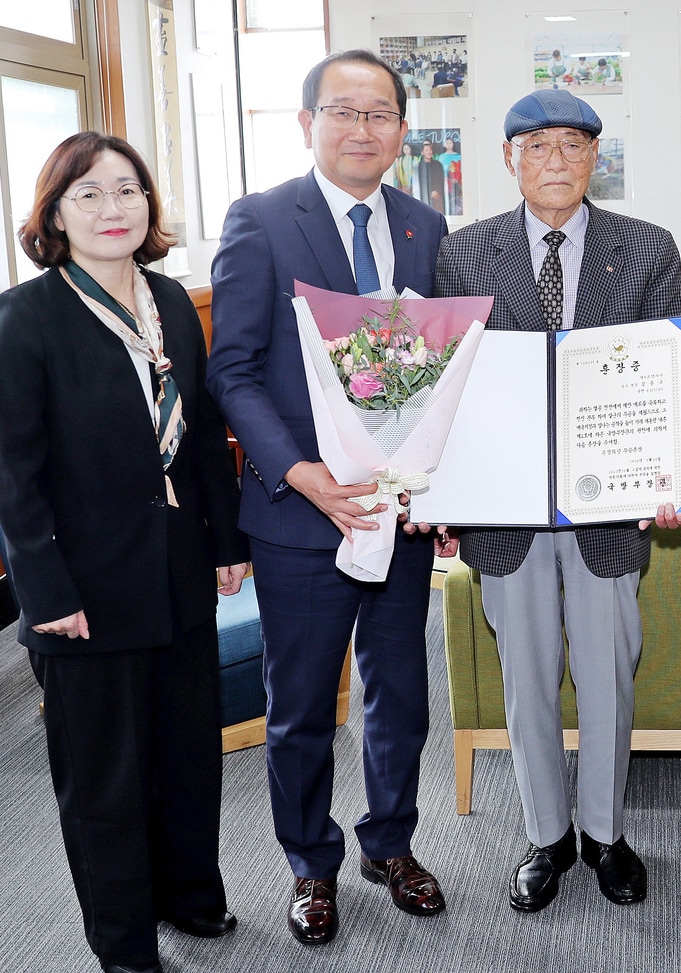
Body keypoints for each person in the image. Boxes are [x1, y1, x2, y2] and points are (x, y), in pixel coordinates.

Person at [434, 88, 681, 914]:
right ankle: (547, 835)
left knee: (607, 672)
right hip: (508, 512)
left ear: (597, 158)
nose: (556, 161)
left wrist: (669, 471)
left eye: (574, 146)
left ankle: (606, 832)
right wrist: (443, 486)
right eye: (538, 146)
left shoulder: (645, 246)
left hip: (607, 508)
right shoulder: (465, 251)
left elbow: (675, 371)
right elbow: (449, 383)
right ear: (510, 159)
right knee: (526, 677)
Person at [207, 50, 451, 947]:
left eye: (380, 114)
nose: (362, 129)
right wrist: (302, 476)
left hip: (397, 511)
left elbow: (440, 371)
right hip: (299, 515)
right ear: (306, 122)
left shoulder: (426, 224)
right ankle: (312, 864)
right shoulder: (261, 220)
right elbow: (230, 371)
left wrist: (443, 486)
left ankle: (391, 843)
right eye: (343, 112)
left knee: (402, 696)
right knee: (303, 704)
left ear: (400, 130)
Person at [0, 132, 249, 973]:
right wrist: (44, 592)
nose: (115, 210)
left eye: (129, 191)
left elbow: (205, 435)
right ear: (55, 216)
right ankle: (124, 941)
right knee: (104, 779)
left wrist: (226, 539)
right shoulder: (23, 318)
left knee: (186, 750)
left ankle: (188, 893)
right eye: (90, 195)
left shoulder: (173, 301)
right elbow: (13, 478)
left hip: (177, 565)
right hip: (84, 585)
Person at [417, 141, 446, 213]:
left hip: (436, 196)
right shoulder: (419, 166)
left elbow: (441, 180)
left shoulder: (438, 164)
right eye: (426, 150)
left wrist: (437, 190)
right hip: (422, 196)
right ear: (422, 152)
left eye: (430, 150)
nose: (429, 152)